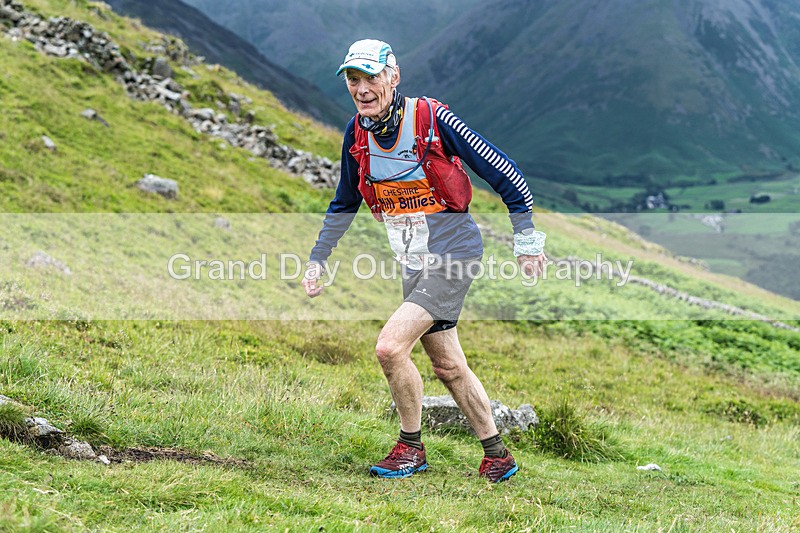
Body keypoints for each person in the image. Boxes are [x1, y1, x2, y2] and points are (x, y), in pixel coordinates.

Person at [303, 39, 547, 483]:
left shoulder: (432, 118)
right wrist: (319, 257)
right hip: (412, 260)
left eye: (371, 77)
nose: (361, 89)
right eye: (353, 80)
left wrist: (526, 239)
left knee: (390, 348)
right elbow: (344, 200)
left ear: (393, 77)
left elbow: (504, 171)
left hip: (453, 254)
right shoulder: (356, 134)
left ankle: (410, 448)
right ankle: (498, 455)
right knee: (449, 366)